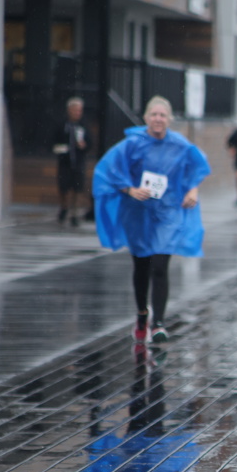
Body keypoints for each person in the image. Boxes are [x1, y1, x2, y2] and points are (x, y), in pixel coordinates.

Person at [92, 96, 210, 344]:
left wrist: (192, 191)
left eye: (163, 115)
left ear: (170, 119)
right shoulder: (132, 144)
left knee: (159, 265)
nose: (158, 119)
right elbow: (108, 171)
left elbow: (196, 168)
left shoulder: (180, 145)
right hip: (138, 213)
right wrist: (130, 190)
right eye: (154, 114)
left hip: (167, 213)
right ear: (146, 117)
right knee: (142, 266)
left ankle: (159, 323)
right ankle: (142, 313)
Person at [52, 97, 91, 227]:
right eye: (75, 110)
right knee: (63, 186)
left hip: (79, 162)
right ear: (69, 110)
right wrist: (61, 149)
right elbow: (54, 141)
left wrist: (84, 145)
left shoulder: (84, 125)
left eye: (79, 110)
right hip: (65, 162)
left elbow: (90, 143)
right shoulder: (62, 124)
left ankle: (74, 213)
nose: (77, 113)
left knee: (78, 187)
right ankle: (64, 207)